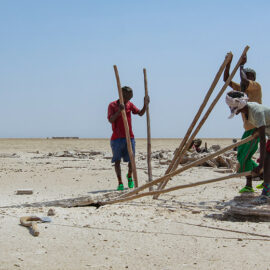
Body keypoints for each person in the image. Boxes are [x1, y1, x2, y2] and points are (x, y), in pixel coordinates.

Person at [224, 53, 262, 193]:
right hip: (248, 128)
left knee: (245, 155)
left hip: (256, 127)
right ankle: (261, 174)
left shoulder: (255, 86)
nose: (244, 77)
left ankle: (252, 182)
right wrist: (228, 64)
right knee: (241, 154)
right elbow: (226, 81)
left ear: (252, 78)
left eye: (247, 75)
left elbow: (244, 82)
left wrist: (241, 65)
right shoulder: (242, 89)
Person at [226, 91, 270, 201]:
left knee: (267, 161)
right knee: (267, 161)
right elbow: (262, 126)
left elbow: (263, 141)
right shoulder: (248, 111)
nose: (234, 112)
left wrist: (260, 166)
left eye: (234, 108)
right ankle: (266, 190)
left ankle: (266, 192)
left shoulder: (256, 111)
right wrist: (255, 132)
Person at [107, 86, 149, 191]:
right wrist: (119, 111)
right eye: (129, 95)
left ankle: (129, 176)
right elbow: (111, 120)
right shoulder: (112, 105)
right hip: (116, 138)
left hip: (129, 137)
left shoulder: (130, 104)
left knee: (131, 160)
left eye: (131, 95)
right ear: (123, 94)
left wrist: (145, 104)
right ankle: (120, 182)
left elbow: (140, 113)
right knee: (117, 161)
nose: (131, 97)